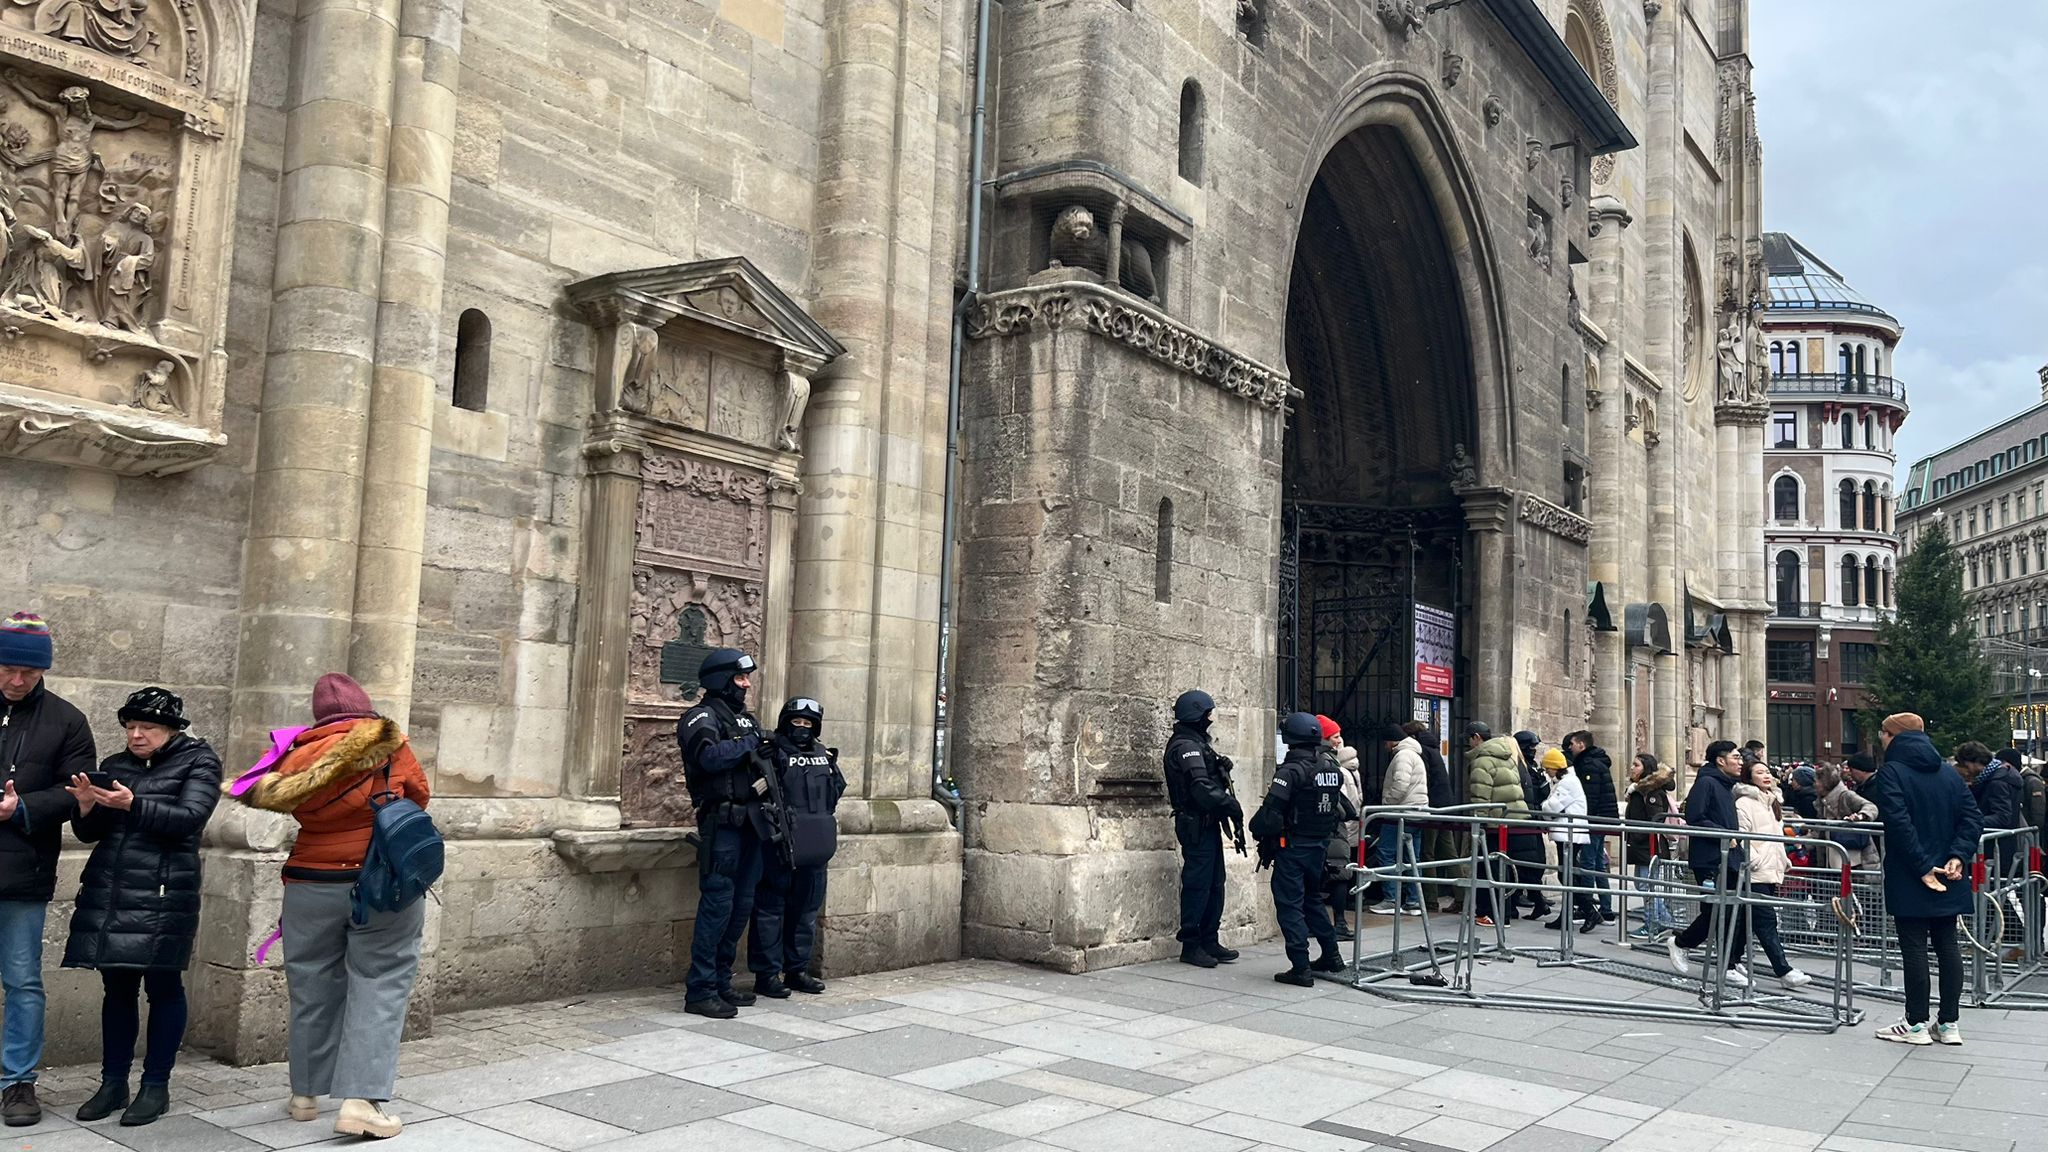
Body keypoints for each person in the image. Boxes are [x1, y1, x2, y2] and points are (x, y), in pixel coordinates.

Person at [237, 673, 430, 1139]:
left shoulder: (294, 755)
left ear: (321, 717)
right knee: (380, 981)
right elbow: (420, 796)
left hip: (307, 881)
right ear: (365, 709)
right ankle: (362, 1101)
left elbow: (268, 799)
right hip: (377, 880)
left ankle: (304, 1094)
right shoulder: (390, 745)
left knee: (310, 982)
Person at [62, 688, 221, 1127]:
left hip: (166, 891)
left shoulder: (199, 762)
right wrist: (86, 806)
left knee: (164, 988)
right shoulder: (115, 766)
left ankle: (156, 1086)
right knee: (117, 990)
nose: (136, 735)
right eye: (130, 727)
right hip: (113, 891)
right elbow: (93, 832)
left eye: (146, 727)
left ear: (171, 729)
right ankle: (112, 1083)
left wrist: (135, 804)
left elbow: (190, 818)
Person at [0, 612, 94, 1127]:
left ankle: (18, 1082)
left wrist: (22, 808)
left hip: (23, 873)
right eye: (9, 668)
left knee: (22, 981)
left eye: (29, 673)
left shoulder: (67, 720)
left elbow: (78, 792)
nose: (17, 681)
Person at [1871, 713, 1982, 1045]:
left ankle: (1916, 1023)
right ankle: (1948, 1023)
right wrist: (1958, 855)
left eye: (1883, 734)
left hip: (1911, 871)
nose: (1881, 739)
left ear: (1893, 736)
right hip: (1950, 871)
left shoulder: (1892, 772)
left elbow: (1898, 823)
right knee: (1947, 944)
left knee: (1914, 946)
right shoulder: (1949, 774)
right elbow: (1972, 818)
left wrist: (1922, 866)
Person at [676, 649, 770, 1018]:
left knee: (741, 905)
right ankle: (699, 990)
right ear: (721, 679)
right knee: (717, 905)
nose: (745, 685)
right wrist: (753, 744)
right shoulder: (700, 717)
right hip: (722, 825)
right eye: (739, 678)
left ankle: (720, 980)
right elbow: (709, 757)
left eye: (746, 678)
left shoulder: (746, 719)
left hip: (751, 824)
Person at [747, 697, 845, 998]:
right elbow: (755, 796)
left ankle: (797, 970)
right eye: (796, 722)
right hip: (779, 843)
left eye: (807, 724)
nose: (801, 728)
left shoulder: (823, 755)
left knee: (806, 910)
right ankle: (766, 974)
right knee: (770, 910)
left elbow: (836, 789)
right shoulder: (772, 753)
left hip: (815, 844)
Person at [1251, 712, 1354, 985]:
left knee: (1289, 905)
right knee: (1312, 901)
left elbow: (1271, 813)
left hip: (1293, 848)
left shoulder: (1290, 772)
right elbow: (1346, 809)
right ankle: (1332, 956)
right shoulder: (1331, 770)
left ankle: (1300, 967)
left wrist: (1256, 827)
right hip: (1318, 847)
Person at [1163, 690, 1242, 968]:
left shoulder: (1197, 743)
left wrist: (1219, 766)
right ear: (1196, 714)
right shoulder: (1186, 746)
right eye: (1206, 713)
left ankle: (1209, 939)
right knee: (1198, 885)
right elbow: (1200, 786)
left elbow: (1206, 776)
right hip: (1196, 823)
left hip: (1207, 824)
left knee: (1214, 884)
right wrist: (1228, 804)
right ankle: (1191, 944)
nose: (1210, 719)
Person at [1669, 740, 1751, 987]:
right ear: (1720, 760)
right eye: (1735, 757)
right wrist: (1722, 834)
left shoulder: (1725, 785)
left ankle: (1728, 961)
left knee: (1733, 910)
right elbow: (1696, 818)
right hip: (1711, 858)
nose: (1740, 762)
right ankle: (1683, 943)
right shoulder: (1706, 783)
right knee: (1717, 911)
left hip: (1728, 856)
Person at [1733, 760, 1811, 989]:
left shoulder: (1773, 801)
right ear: (1749, 777)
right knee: (1766, 920)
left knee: (1749, 919)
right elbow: (1742, 836)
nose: (1766, 775)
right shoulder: (1744, 803)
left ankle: (1732, 960)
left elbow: (1776, 835)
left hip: (1772, 868)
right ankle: (1783, 970)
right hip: (1756, 870)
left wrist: (1782, 859)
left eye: (1767, 771)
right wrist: (1755, 860)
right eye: (1759, 772)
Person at [1465, 723, 1544, 927]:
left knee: (1489, 868)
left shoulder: (1482, 761)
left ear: (1476, 738)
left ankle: (1492, 914)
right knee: (1504, 869)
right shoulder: (1508, 757)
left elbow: (1480, 796)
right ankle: (1504, 914)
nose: (1468, 743)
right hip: (1513, 821)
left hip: (1494, 824)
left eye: (1469, 738)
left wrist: (1478, 823)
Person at [1369, 725, 1429, 915]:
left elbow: (1400, 785)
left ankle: (1391, 899)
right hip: (1417, 813)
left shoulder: (1402, 756)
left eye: (1385, 742)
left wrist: (1387, 802)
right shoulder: (1414, 753)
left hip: (1400, 813)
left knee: (1386, 853)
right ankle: (1414, 901)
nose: (1385, 746)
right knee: (1413, 857)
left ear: (1391, 740)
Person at [1538, 748, 1598, 933]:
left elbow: (1551, 807)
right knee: (1568, 874)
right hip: (1567, 834)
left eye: (1548, 768)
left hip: (1570, 835)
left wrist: (1543, 806)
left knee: (1567, 875)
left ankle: (1590, 911)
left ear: (1555, 767)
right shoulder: (1565, 781)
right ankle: (1567, 915)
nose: (1546, 772)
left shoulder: (1567, 783)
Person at [1621, 752, 1679, 940]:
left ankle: (1654, 923)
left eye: (1636, 765)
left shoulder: (1650, 792)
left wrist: (1637, 836)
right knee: (1643, 884)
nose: (1632, 768)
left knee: (1647, 886)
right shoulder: (1638, 790)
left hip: (1649, 846)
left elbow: (1655, 820)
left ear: (1645, 768)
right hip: (1641, 845)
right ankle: (1663, 920)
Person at [1565, 731, 1618, 922]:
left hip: (1594, 820)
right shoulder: (1597, 761)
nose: (1570, 748)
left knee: (1588, 863)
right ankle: (1605, 908)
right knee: (1597, 864)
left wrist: (1584, 820)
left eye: (1572, 744)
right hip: (1601, 819)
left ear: (1581, 744)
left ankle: (1587, 908)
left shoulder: (1589, 765)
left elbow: (1590, 797)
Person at [1408, 722, 1461, 912]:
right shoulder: (1434, 749)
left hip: (1433, 807)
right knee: (1449, 853)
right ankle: (1461, 897)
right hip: (1446, 806)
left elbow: (1425, 781)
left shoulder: (1422, 751)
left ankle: (1430, 899)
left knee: (1427, 853)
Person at [1319, 716, 1362, 936]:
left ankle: (1335, 924)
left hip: (1333, 827)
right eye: (1335, 736)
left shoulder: (1336, 766)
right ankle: (1340, 923)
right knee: (1339, 874)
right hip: (1337, 827)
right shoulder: (1337, 766)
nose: (1339, 740)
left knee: (1333, 875)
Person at [1956, 741, 2023, 875]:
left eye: (1965, 764)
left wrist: (1972, 821)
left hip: (1994, 849)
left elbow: (2002, 817)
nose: (1965, 769)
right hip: (2001, 846)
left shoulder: (1997, 782)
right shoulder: (2002, 775)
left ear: (1975, 762)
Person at [1817, 759, 1880, 868]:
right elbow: (1819, 831)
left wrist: (1861, 816)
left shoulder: (1846, 796)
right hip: (1836, 861)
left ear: (1825, 782)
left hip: (1858, 861)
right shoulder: (1823, 802)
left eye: (1816, 780)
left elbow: (1871, 807)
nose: (1814, 784)